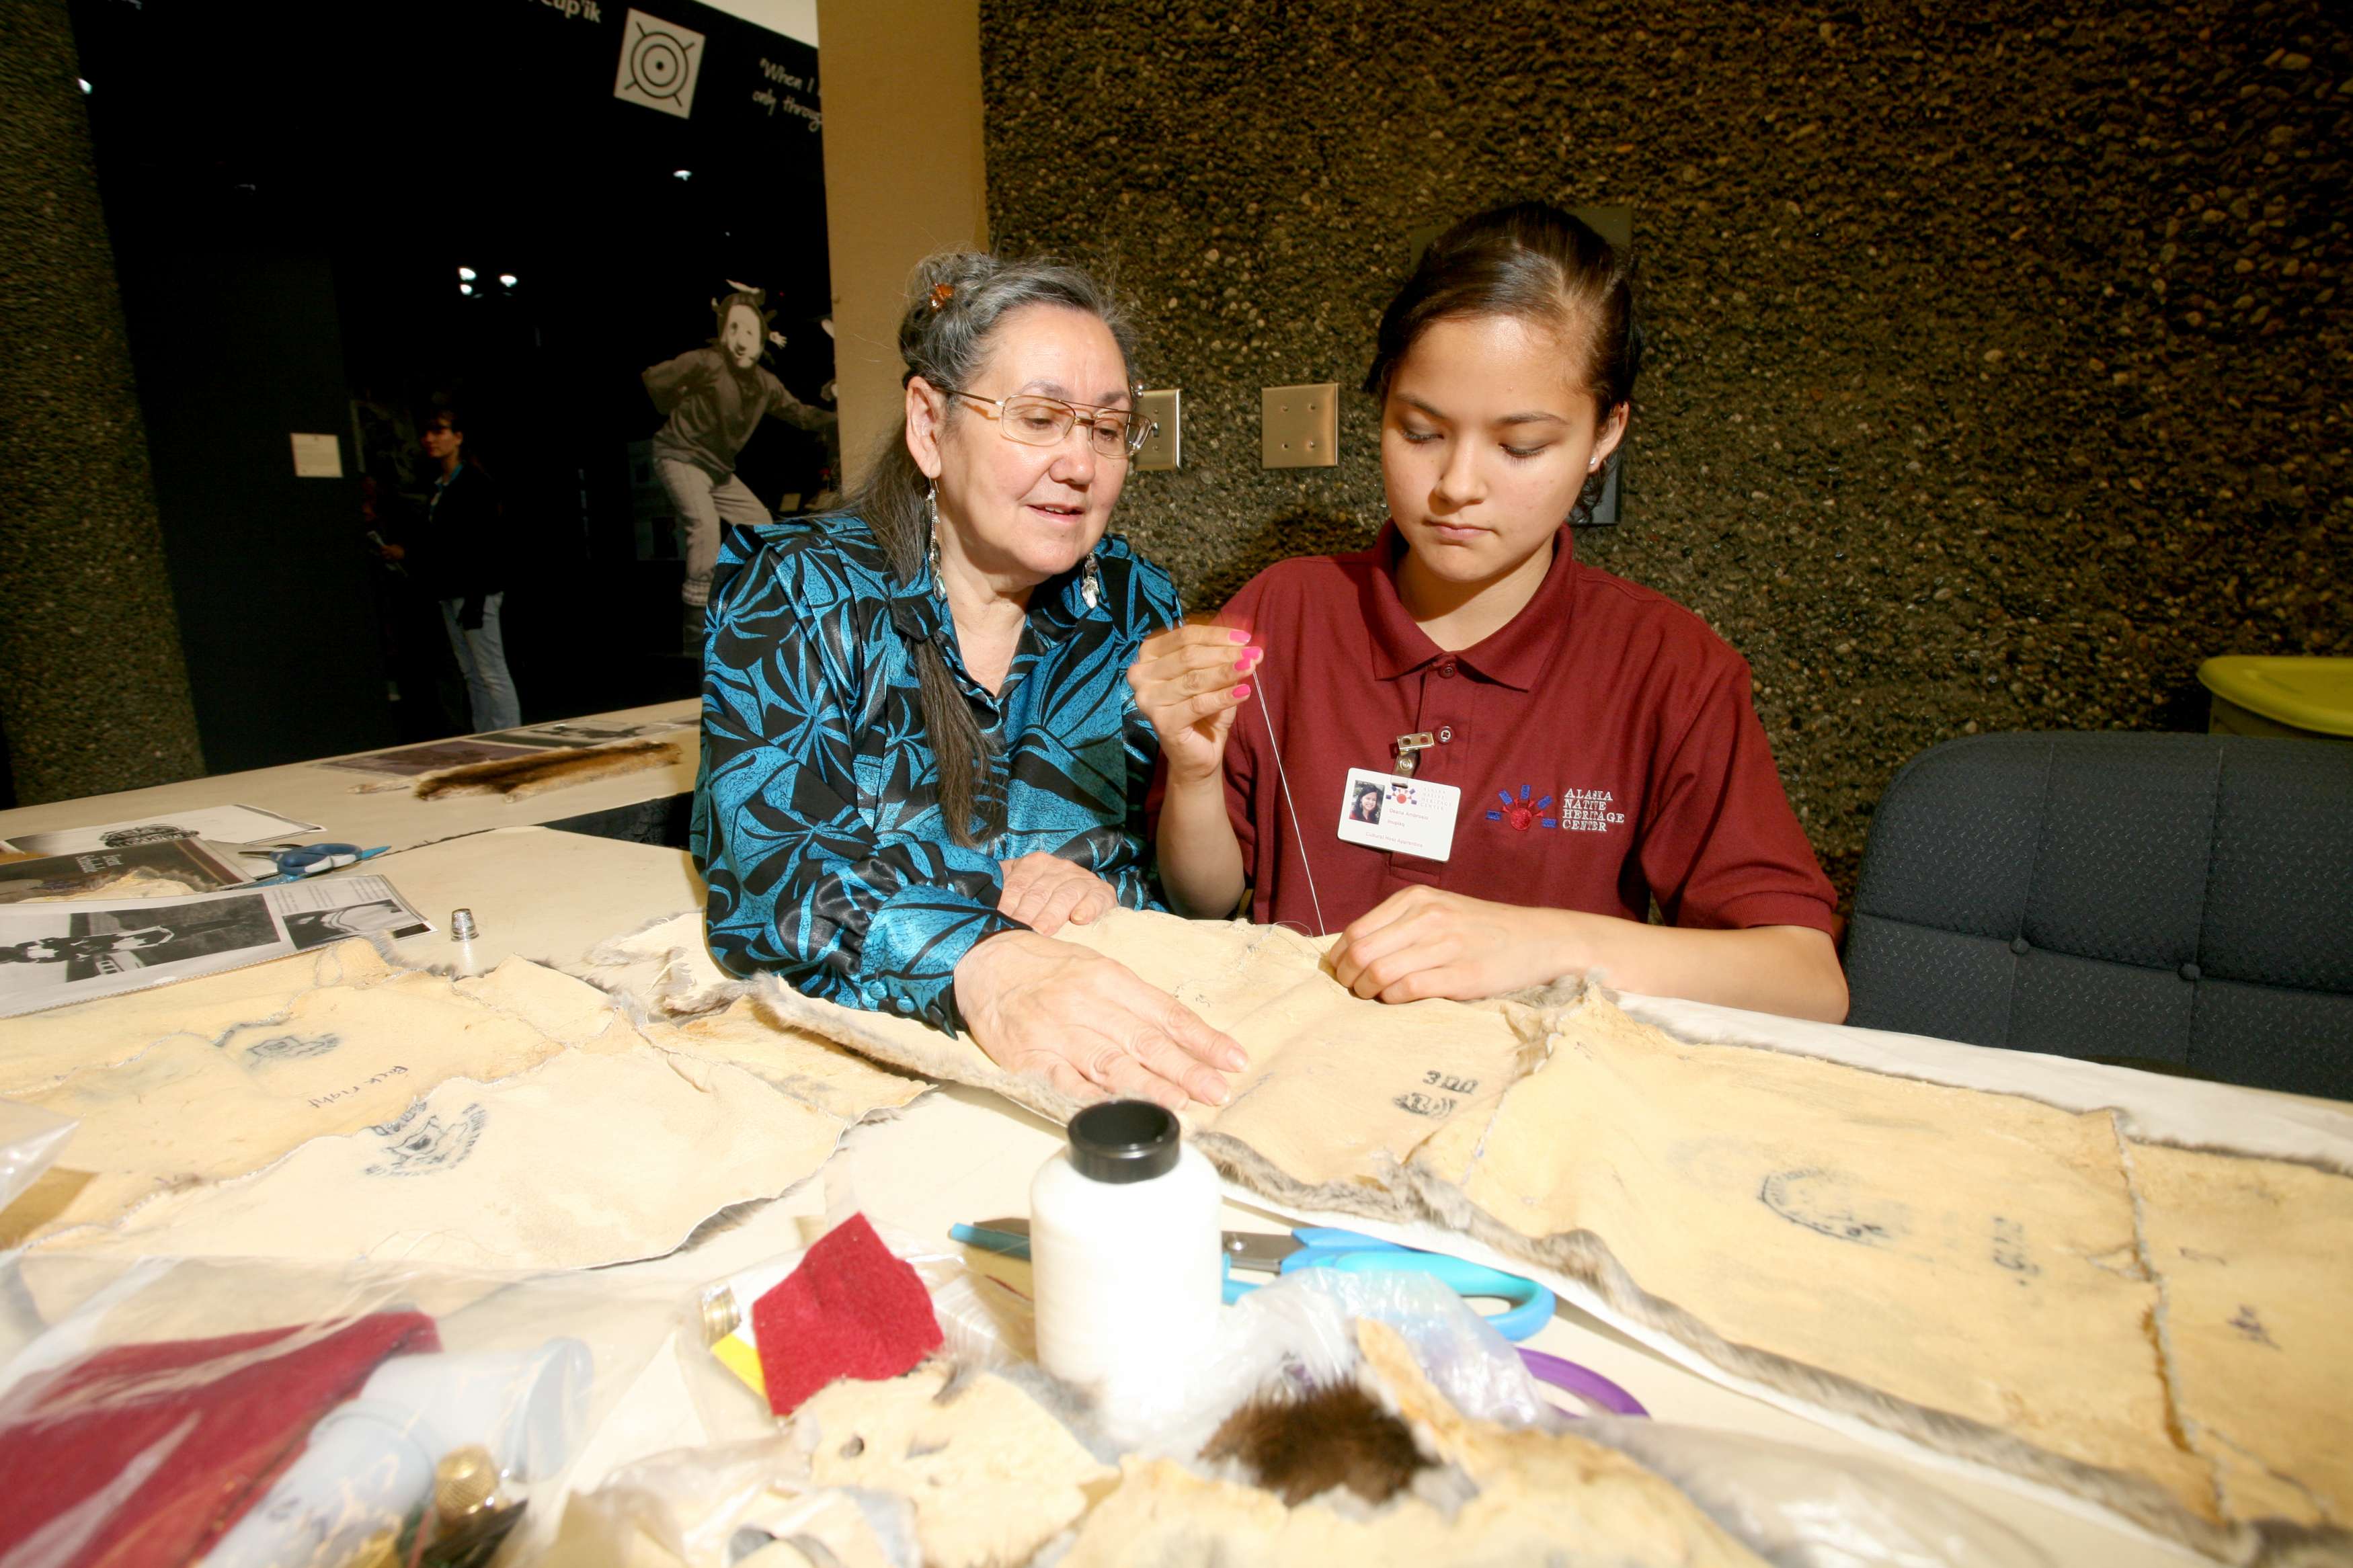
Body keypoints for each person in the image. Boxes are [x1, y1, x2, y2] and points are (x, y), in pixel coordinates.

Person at [1135, 202, 1847, 1023]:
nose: (1457, 485)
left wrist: (1538, 943)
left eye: (1519, 446)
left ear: (1604, 433)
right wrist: (1191, 775)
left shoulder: (1666, 666)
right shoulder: (1286, 611)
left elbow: (1807, 981)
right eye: (1420, 431)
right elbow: (1203, 900)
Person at [692, 254, 1244, 1111]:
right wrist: (985, 950)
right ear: (927, 424)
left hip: (1089, 1049)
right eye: (1038, 418)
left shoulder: (1137, 604)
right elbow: (774, 877)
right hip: (859, 1078)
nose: (1080, 464)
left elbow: (1180, 881)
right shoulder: (801, 595)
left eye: (1107, 429)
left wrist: (1105, 883)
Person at [643, 287, 839, 651]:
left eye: (748, 332)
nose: (739, 341)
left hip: (717, 468)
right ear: (721, 334)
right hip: (680, 454)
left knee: (761, 525)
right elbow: (656, 379)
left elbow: (798, 413)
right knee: (702, 527)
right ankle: (695, 631)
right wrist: (673, 402)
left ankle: (761, 607)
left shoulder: (764, 384)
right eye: (732, 330)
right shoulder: (706, 362)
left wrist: (837, 417)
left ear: (762, 338)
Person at [380, 409, 520, 731]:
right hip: (454, 589)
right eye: (426, 432)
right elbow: (443, 542)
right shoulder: (441, 486)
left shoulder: (474, 484)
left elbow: (483, 543)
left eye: (439, 431)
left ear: (458, 437)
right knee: (473, 671)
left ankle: (510, 734)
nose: (430, 439)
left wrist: (475, 595)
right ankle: (490, 735)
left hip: (475, 589)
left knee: (490, 670)